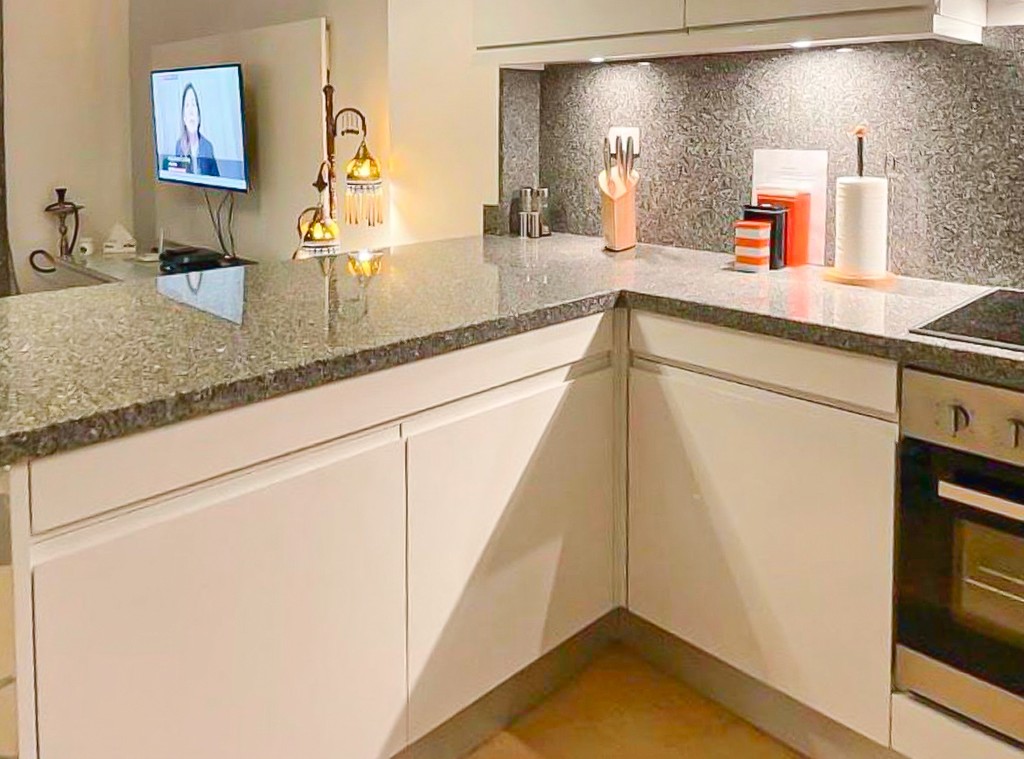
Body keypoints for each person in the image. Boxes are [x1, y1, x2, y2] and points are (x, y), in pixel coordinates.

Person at [175, 83, 219, 177]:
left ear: (199, 116)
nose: (191, 111)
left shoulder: (207, 147)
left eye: (193, 105)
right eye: (187, 105)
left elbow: (217, 181)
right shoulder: (179, 147)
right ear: (183, 117)